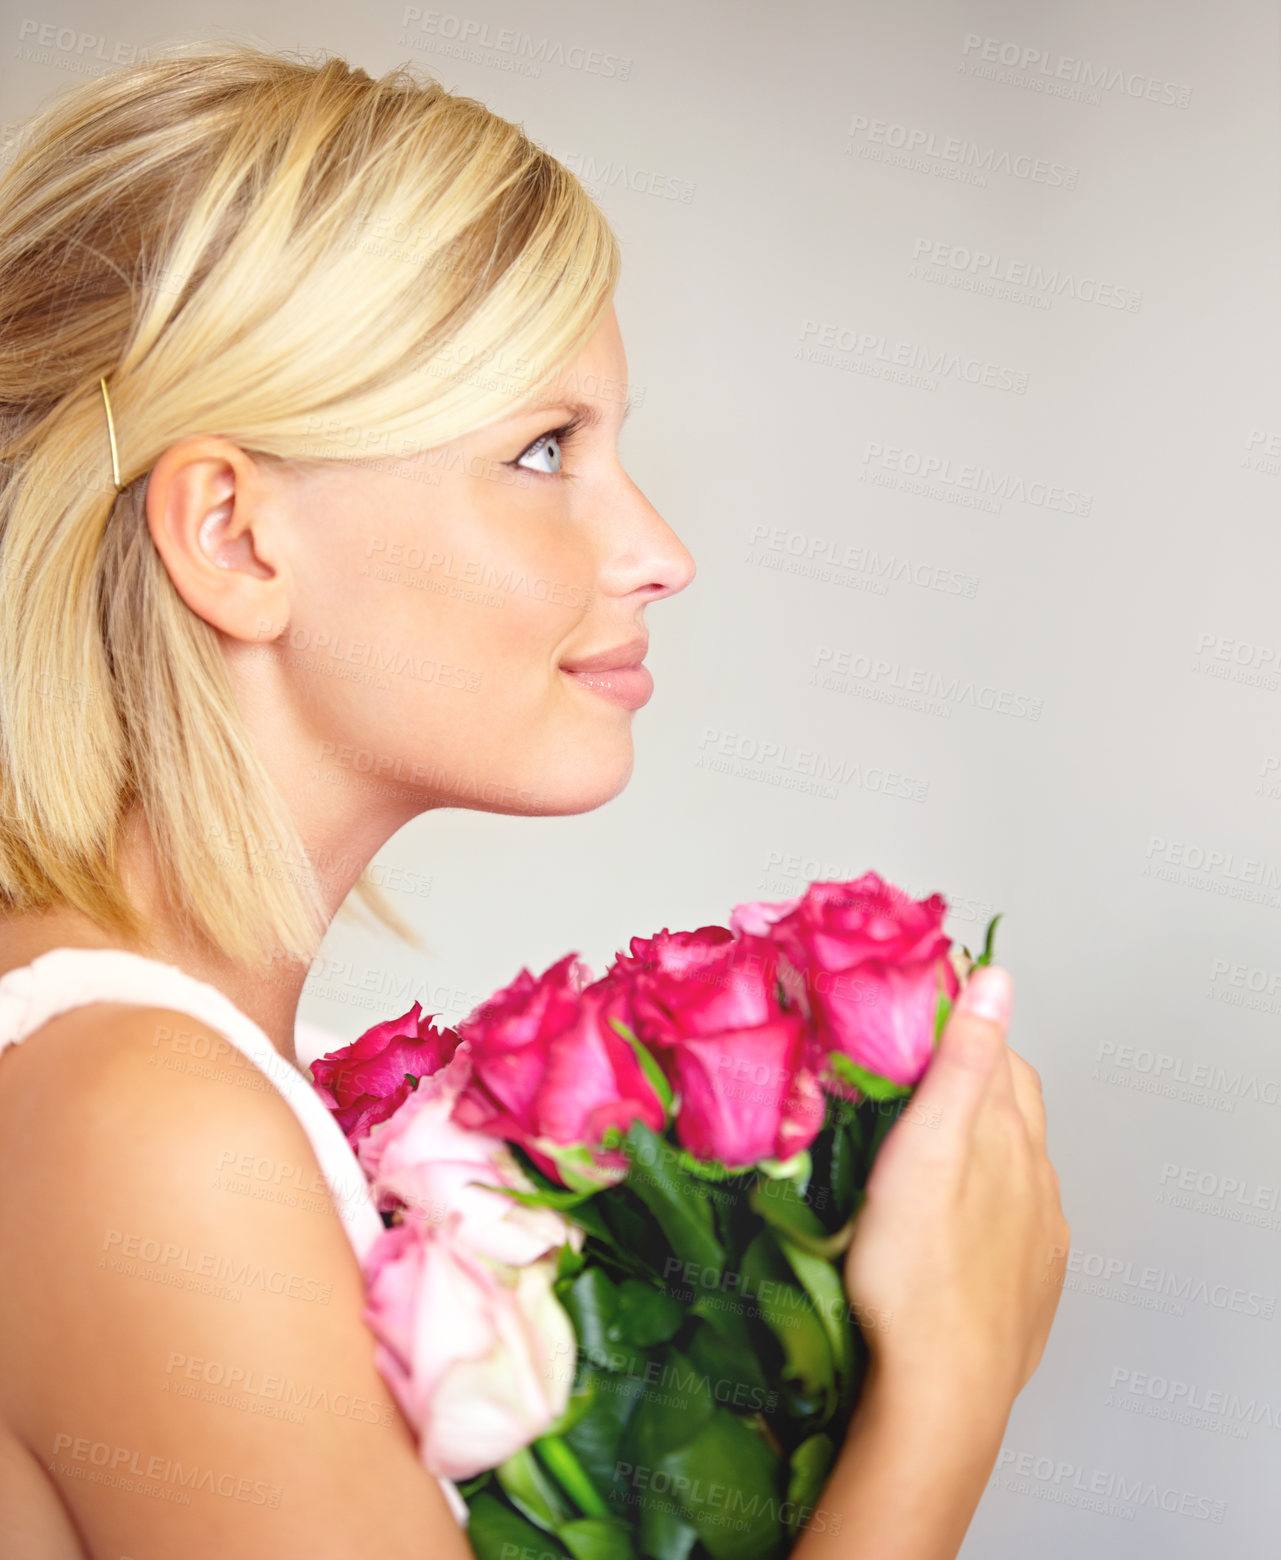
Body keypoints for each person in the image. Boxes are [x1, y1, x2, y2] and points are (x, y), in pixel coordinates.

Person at [0, 40, 1069, 1560]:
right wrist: (946, 1388)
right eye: (542, 450)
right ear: (233, 536)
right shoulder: (146, 1127)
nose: (657, 550)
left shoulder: (128, 1070)